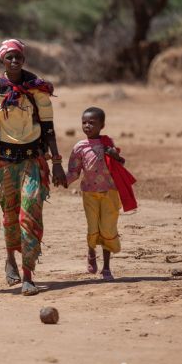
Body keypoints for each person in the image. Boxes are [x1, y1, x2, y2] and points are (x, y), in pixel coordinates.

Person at [0, 39, 67, 296]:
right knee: (10, 215)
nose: (15, 61)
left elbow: (49, 128)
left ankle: (28, 274)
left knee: (30, 213)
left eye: (18, 57)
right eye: (10, 58)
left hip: (33, 160)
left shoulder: (37, 88)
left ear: (24, 60)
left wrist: (57, 162)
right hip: (6, 162)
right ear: (2, 61)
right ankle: (10, 259)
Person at [65, 107, 137, 280]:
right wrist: (60, 180)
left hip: (110, 193)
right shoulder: (79, 147)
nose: (87, 126)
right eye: (84, 122)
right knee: (92, 227)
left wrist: (115, 155)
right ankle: (91, 251)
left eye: (92, 122)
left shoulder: (107, 144)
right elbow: (74, 172)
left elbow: (120, 163)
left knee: (107, 228)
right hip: (89, 193)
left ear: (102, 125)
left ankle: (106, 267)